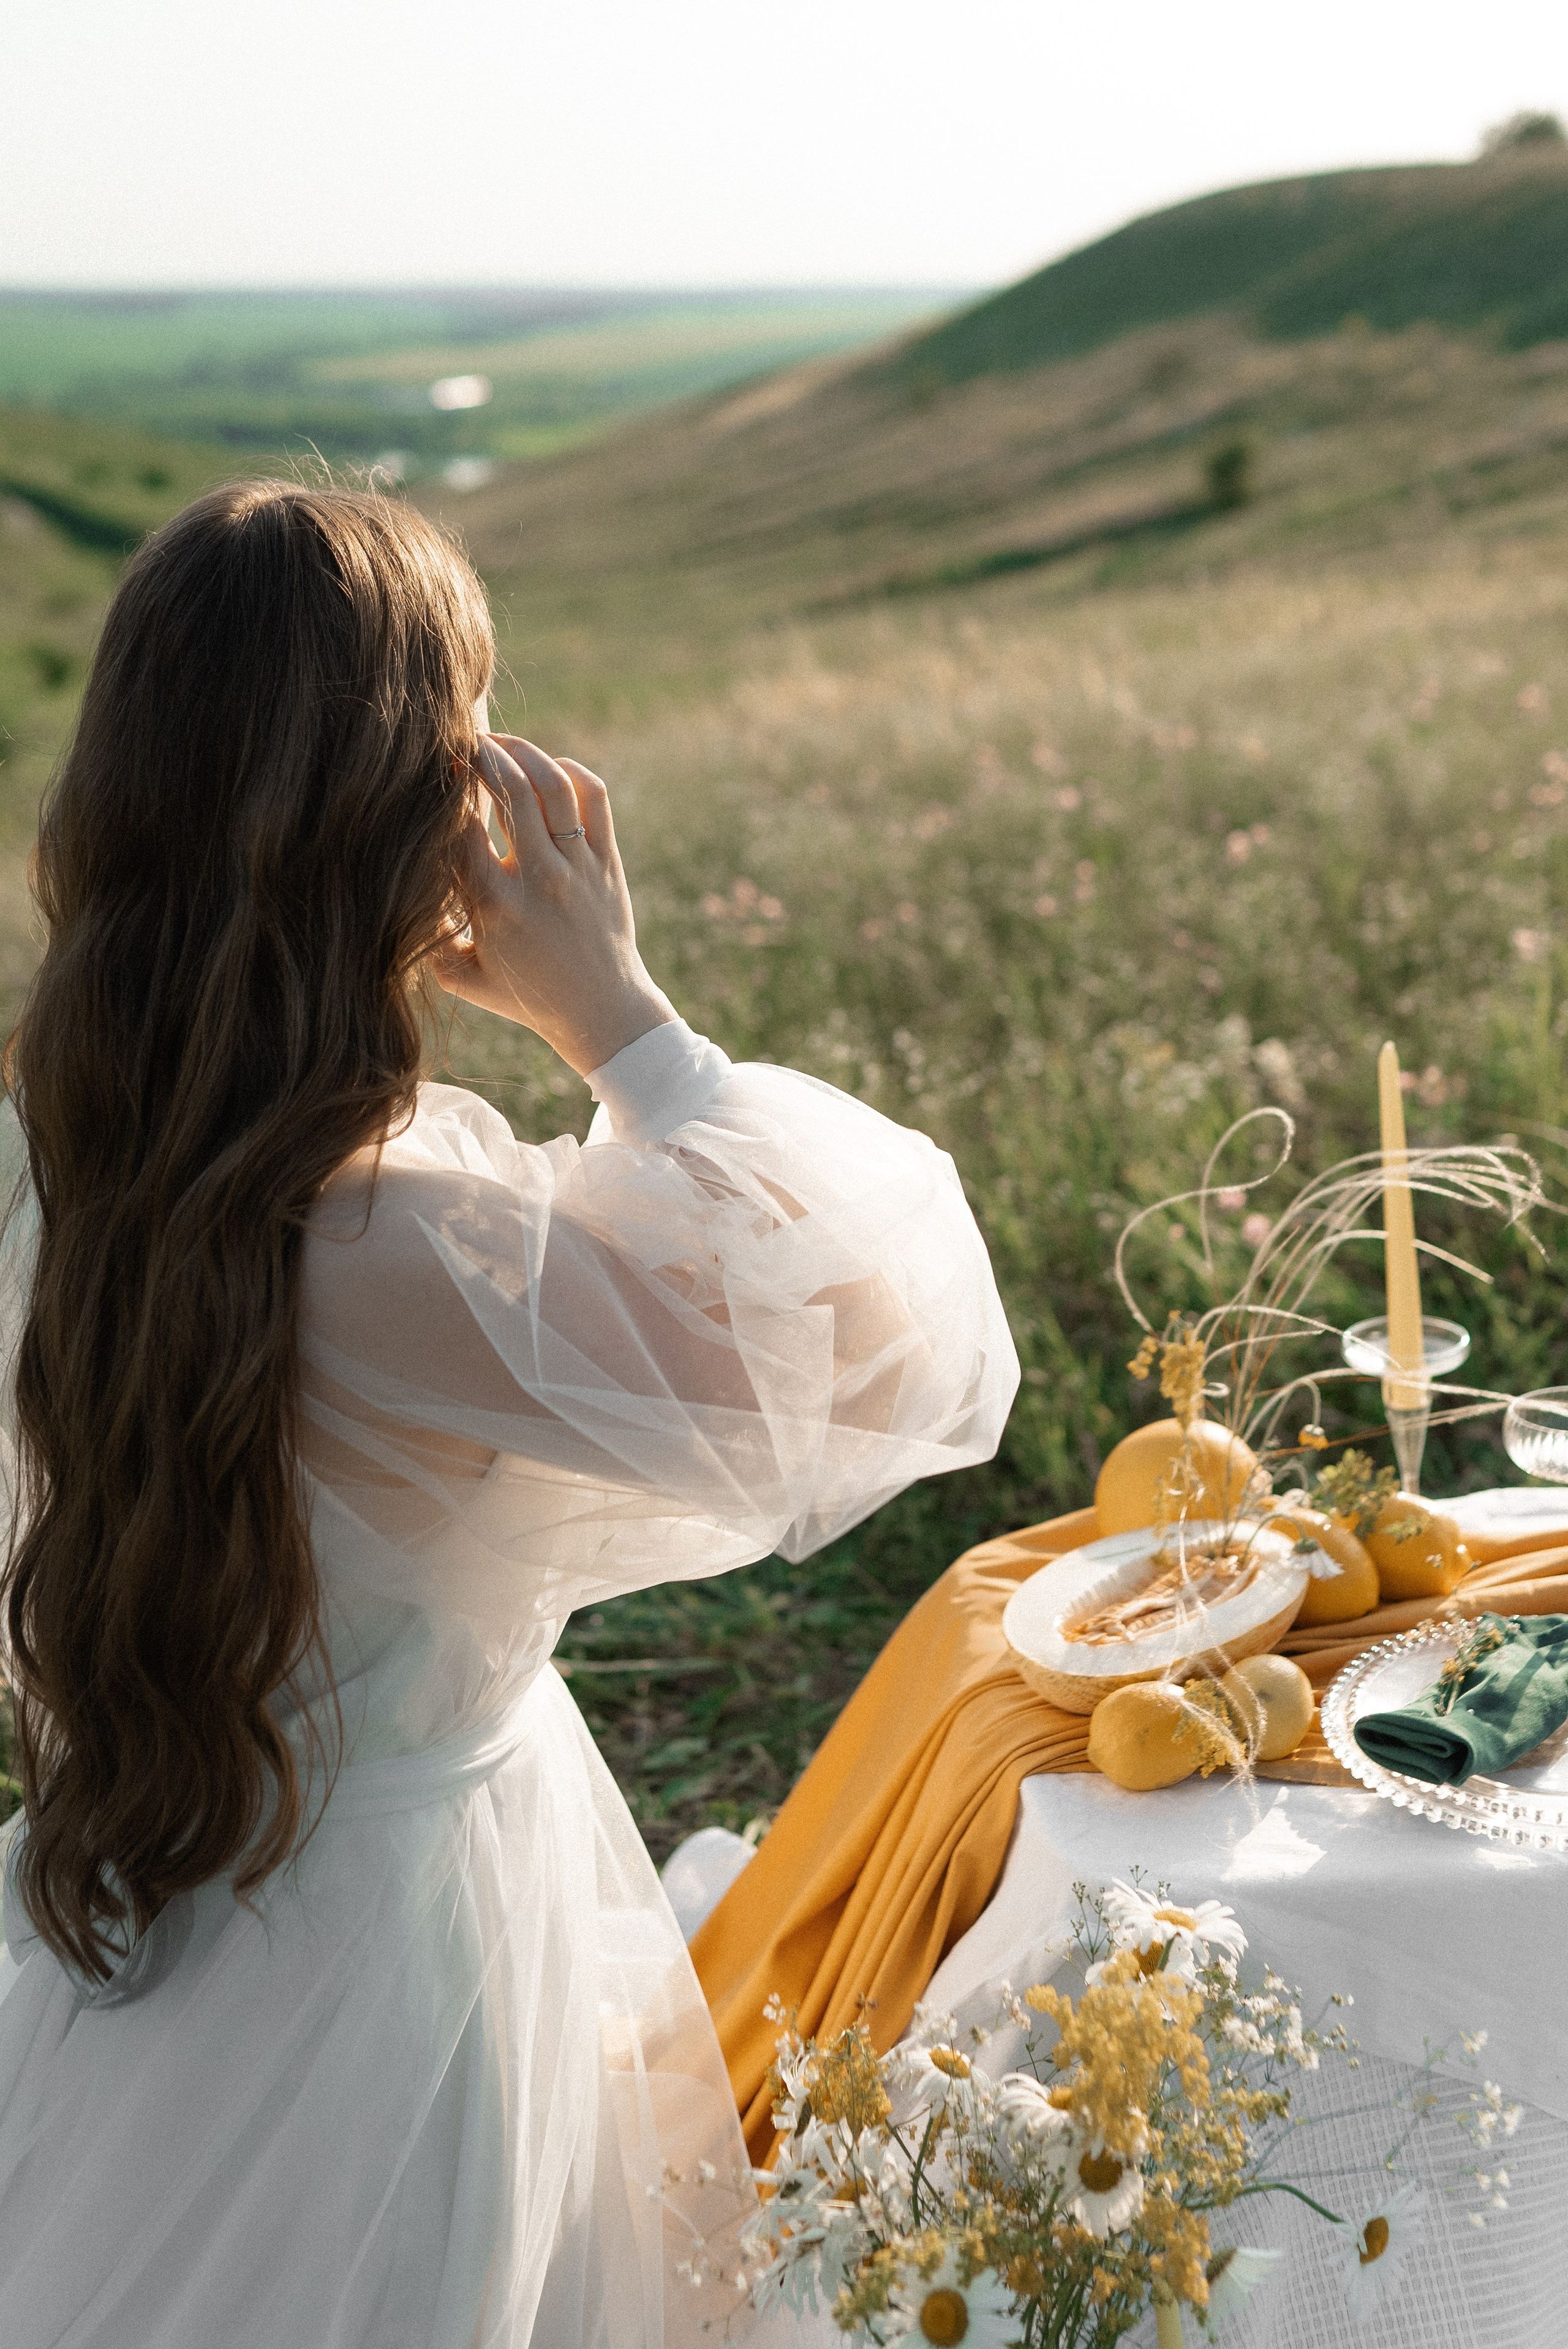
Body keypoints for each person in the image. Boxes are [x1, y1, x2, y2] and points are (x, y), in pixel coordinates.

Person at [0, 480, 1017, 2347]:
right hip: (410, 1963)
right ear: (407, 811)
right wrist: (624, 1017)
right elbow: (894, 1362)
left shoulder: (48, 1165)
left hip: (144, 1903)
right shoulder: (399, 1246)